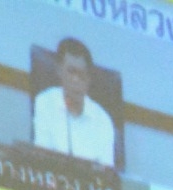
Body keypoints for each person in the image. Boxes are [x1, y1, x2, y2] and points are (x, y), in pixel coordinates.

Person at [31, 37, 117, 168]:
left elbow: (106, 173)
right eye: (71, 72)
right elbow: (42, 158)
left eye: (81, 75)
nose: (76, 80)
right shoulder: (45, 102)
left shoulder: (102, 120)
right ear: (59, 71)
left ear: (88, 79)